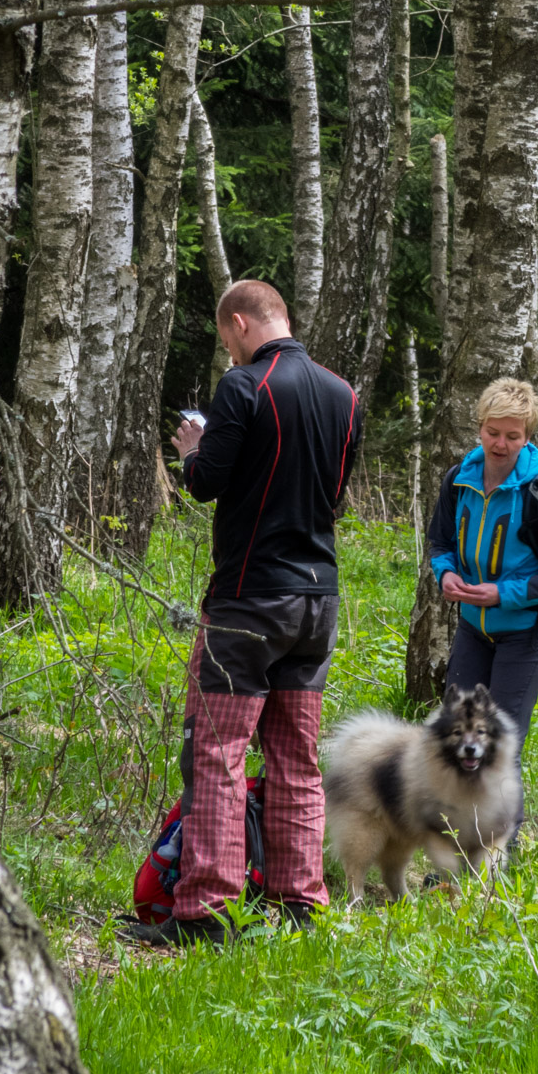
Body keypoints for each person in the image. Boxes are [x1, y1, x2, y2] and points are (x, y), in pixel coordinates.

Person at [123, 280, 360, 945]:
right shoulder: (342, 394)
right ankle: (298, 901)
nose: (228, 347)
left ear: (238, 323)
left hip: (249, 599)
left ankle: (206, 912)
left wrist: (191, 450)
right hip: (317, 598)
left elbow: (206, 484)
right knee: (294, 757)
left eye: (227, 336)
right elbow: (335, 490)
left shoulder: (244, 386)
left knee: (217, 752)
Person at [427, 378, 538, 847]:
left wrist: (502, 594)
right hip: (473, 632)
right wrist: (445, 575)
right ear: (480, 427)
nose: (501, 444)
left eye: (513, 436)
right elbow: (440, 543)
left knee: (500, 745)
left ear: (528, 436)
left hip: (525, 634)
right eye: (493, 432)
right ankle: (457, 848)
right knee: (458, 738)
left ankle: (498, 856)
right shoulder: (459, 479)